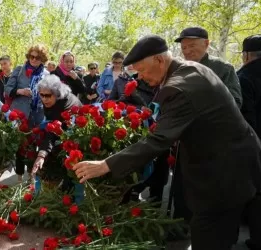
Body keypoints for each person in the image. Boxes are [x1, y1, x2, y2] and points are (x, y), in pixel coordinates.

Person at [73, 35, 261, 250]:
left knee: (209, 237)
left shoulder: (178, 87)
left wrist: (105, 165)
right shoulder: (192, 68)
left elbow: (159, 139)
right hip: (240, 162)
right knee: (225, 233)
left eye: (142, 70)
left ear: (160, 61)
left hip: (222, 175)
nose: (141, 78)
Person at [5, 44, 49, 182]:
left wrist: (42, 96)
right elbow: (8, 89)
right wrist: (20, 91)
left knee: (34, 145)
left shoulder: (46, 74)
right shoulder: (19, 70)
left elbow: (50, 93)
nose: (34, 60)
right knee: (20, 144)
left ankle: (31, 175)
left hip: (38, 113)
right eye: (32, 56)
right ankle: (18, 177)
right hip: (20, 112)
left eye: (38, 57)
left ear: (42, 59)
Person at [31, 74, 82, 182]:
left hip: (77, 132)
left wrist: (41, 155)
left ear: (57, 94)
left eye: (48, 95)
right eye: (42, 95)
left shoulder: (63, 105)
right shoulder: (51, 101)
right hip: (62, 129)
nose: (44, 99)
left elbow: (53, 132)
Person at [175, 27, 242, 108]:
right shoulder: (179, 71)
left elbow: (235, 102)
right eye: (184, 48)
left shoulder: (223, 68)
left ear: (206, 44)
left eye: (192, 46)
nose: (187, 51)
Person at [238, 34, 261, 250]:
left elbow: (246, 116)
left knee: (256, 193)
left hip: (256, 144)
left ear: (246, 55)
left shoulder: (243, 77)